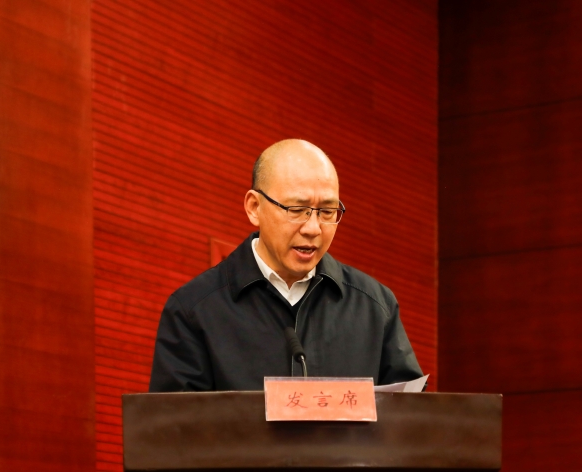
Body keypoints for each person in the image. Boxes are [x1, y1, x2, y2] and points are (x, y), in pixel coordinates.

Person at [149, 139, 423, 391]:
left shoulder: (375, 308)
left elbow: (413, 417)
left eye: (327, 211)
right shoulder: (194, 310)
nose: (313, 228)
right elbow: (173, 425)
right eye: (297, 210)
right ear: (254, 207)